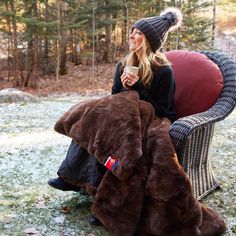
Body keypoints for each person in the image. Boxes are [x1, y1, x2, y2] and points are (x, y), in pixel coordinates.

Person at [48, 7, 182, 226]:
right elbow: (115, 100)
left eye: (138, 33)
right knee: (95, 119)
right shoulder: (123, 65)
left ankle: (105, 205)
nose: (132, 35)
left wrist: (137, 86)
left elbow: (163, 110)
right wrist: (125, 86)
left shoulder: (163, 71)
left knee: (115, 136)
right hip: (122, 120)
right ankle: (71, 176)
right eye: (132, 31)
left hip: (149, 123)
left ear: (149, 40)